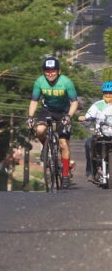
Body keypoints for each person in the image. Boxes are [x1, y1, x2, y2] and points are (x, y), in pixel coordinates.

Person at [27, 56, 78, 189]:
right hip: (47, 110)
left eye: (53, 70)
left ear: (59, 71)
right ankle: (46, 147)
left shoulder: (67, 82)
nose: (50, 73)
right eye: (47, 71)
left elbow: (74, 102)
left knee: (63, 144)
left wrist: (68, 116)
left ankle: (66, 174)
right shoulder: (39, 82)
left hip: (63, 112)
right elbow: (34, 101)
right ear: (44, 72)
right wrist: (30, 117)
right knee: (40, 130)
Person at [77, 81, 112, 183]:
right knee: (88, 144)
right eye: (106, 93)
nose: (108, 95)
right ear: (103, 93)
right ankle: (91, 171)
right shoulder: (98, 105)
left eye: (111, 93)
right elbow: (88, 115)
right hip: (101, 134)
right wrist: (84, 117)